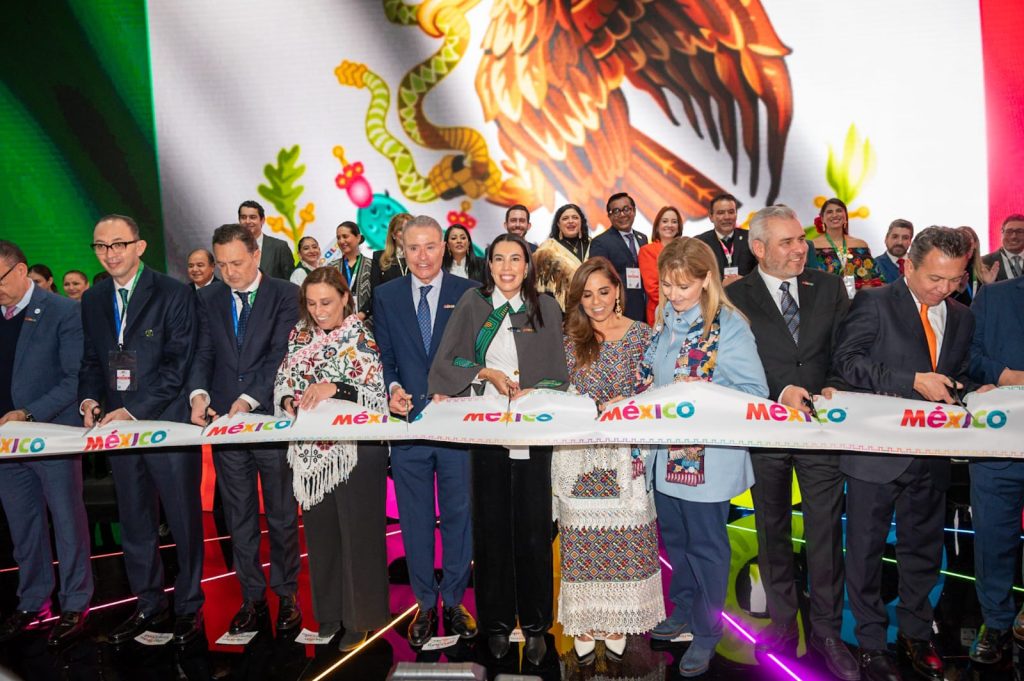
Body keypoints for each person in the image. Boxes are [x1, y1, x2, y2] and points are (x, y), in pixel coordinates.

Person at [831, 226, 980, 681]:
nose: (944, 289)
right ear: (908, 266)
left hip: (931, 457)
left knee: (923, 552)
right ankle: (871, 644)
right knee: (865, 553)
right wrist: (912, 381)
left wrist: (976, 389)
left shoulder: (962, 315)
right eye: (935, 278)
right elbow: (847, 362)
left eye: (954, 279)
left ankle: (916, 634)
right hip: (875, 453)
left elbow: (957, 373)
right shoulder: (874, 302)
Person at [727, 206, 857, 680]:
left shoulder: (828, 287)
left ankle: (827, 632)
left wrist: (835, 386)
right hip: (766, 431)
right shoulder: (733, 296)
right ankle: (783, 624)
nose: (801, 249)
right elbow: (734, 362)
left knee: (824, 533)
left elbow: (846, 348)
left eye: (801, 239)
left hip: (821, 430)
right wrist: (780, 390)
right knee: (772, 529)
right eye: (788, 242)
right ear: (759, 248)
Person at [429, 233, 568, 664]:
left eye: (516, 259)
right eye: (499, 259)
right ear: (487, 265)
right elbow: (447, 362)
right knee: (490, 529)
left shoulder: (545, 307)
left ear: (527, 266)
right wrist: (486, 373)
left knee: (534, 529)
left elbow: (558, 371)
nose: (507, 267)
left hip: (533, 428)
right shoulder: (473, 304)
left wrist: (534, 390)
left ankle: (537, 624)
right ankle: (496, 624)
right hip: (485, 429)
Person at [643, 236, 768, 677]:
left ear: (706, 280)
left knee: (706, 548)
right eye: (667, 284)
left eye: (683, 286)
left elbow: (755, 392)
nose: (673, 294)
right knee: (677, 542)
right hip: (664, 457)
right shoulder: (664, 320)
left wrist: (702, 393)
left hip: (706, 462)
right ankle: (682, 608)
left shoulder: (729, 326)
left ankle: (707, 631)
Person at [79, 214, 205, 645]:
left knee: (183, 520)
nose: (110, 253)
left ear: (140, 246)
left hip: (165, 424)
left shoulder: (173, 292)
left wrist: (132, 412)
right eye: (101, 246)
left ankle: (189, 606)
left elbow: (177, 364)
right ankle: (148, 604)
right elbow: (91, 360)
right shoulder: (93, 299)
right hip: (116, 429)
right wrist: (90, 400)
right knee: (134, 521)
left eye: (118, 244)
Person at [187, 224, 302, 635]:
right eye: (222, 265)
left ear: (256, 255)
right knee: (238, 516)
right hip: (225, 425)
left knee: (282, 515)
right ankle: (251, 597)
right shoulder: (208, 297)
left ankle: (286, 594)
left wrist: (248, 400)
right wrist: (199, 394)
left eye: (236, 263)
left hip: (268, 419)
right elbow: (202, 352)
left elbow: (280, 355)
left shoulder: (286, 294)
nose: (229, 272)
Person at [372, 216, 479, 647]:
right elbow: (385, 357)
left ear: (445, 247)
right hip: (409, 426)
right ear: (402, 250)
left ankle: (453, 600)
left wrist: (461, 386)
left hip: (456, 427)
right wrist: (393, 389)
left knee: (458, 516)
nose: (422, 256)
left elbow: (478, 356)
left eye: (430, 246)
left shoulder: (469, 292)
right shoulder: (386, 295)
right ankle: (424, 603)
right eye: (413, 247)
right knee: (414, 519)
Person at [274, 267, 390, 652]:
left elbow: (377, 393)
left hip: (356, 449)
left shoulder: (363, 335)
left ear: (344, 298)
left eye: (326, 302)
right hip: (311, 448)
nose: (319, 311)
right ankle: (330, 614)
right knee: (321, 534)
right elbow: (284, 378)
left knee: (358, 534)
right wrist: (288, 399)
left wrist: (335, 388)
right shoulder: (299, 334)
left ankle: (361, 619)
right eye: (311, 303)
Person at [554, 257, 663, 664]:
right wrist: (587, 405)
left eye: (603, 291)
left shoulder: (644, 336)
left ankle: (617, 619)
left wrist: (629, 403)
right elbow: (556, 392)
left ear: (618, 290)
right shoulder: (569, 338)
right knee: (582, 538)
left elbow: (657, 391)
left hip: (625, 454)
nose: (596, 301)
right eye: (587, 295)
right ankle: (585, 621)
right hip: (578, 455)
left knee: (625, 537)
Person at [0, 240, 92, 647]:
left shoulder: (63, 311)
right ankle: (33, 601)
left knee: (68, 523)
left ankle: (75, 603)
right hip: (6, 445)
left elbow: (74, 379)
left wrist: (28, 413)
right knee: (23, 527)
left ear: (20, 271)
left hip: (51, 434)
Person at [965, 277, 1024, 665]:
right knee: (992, 537)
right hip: (998, 443)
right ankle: (996, 621)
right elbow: (967, 353)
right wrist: (1003, 376)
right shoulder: (995, 296)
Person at [589, 192, 648, 321]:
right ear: (609, 216)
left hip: (645, 309)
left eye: (626, 209)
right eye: (616, 211)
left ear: (634, 211)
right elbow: (599, 279)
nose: (622, 214)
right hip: (619, 311)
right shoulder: (601, 242)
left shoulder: (642, 238)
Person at [812, 198, 883, 296]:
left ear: (845, 216)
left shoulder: (860, 245)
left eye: (839, 211)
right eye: (829, 212)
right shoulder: (812, 246)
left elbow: (874, 279)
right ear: (822, 218)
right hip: (825, 300)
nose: (835, 215)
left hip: (857, 301)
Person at [533, 203, 590, 310]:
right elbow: (541, 287)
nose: (570, 221)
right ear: (558, 224)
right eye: (565, 218)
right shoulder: (548, 248)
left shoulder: (594, 244)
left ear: (581, 222)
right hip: (562, 310)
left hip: (594, 305)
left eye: (575, 217)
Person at [695, 194, 756, 285]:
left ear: (736, 214)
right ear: (711, 216)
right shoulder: (700, 243)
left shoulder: (751, 238)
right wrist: (720, 286)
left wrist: (745, 282)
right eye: (721, 213)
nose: (727, 217)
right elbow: (695, 277)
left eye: (731, 212)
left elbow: (762, 271)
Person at [639, 206, 683, 325]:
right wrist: (680, 302)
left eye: (674, 222)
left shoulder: (686, 249)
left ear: (678, 227)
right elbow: (653, 288)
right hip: (661, 312)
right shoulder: (647, 251)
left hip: (687, 311)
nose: (669, 225)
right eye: (665, 221)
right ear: (657, 226)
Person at [238, 200, 295, 280]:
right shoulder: (232, 247)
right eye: (243, 217)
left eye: (252, 217)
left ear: (262, 220)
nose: (247, 221)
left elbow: (291, 281)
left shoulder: (279, 247)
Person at [327, 221, 372, 318]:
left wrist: (363, 315)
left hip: (366, 322)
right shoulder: (331, 268)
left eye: (345, 236)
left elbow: (376, 296)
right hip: (339, 321)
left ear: (358, 238)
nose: (341, 241)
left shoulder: (372, 265)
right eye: (338, 238)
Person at [951, 226, 1000, 306]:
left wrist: (990, 285)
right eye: (961, 241)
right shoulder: (946, 272)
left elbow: (997, 303)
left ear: (975, 245)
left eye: (968, 241)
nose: (965, 245)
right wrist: (957, 292)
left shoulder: (986, 272)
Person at [369, 212, 412, 288]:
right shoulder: (378, 257)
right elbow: (375, 291)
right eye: (401, 230)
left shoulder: (422, 258)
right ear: (393, 235)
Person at [981, 214, 1024, 281]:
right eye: (1009, 232)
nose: (1014, 236)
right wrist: (988, 285)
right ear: (1002, 233)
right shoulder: (983, 262)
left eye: (1019, 232)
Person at [874, 219, 914, 284]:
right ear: (886, 239)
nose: (899, 242)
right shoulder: (874, 265)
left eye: (905, 238)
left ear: (910, 241)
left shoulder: (919, 263)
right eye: (895, 237)